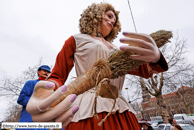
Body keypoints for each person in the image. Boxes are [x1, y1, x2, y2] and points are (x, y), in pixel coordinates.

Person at [26, 2, 168, 130]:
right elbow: (57, 76)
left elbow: (143, 70)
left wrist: (155, 58)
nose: (112, 21)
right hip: (89, 106)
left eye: (115, 20)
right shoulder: (76, 39)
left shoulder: (116, 48)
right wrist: (46, 93)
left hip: (119, 106)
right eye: (109, 16)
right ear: (96, 15)